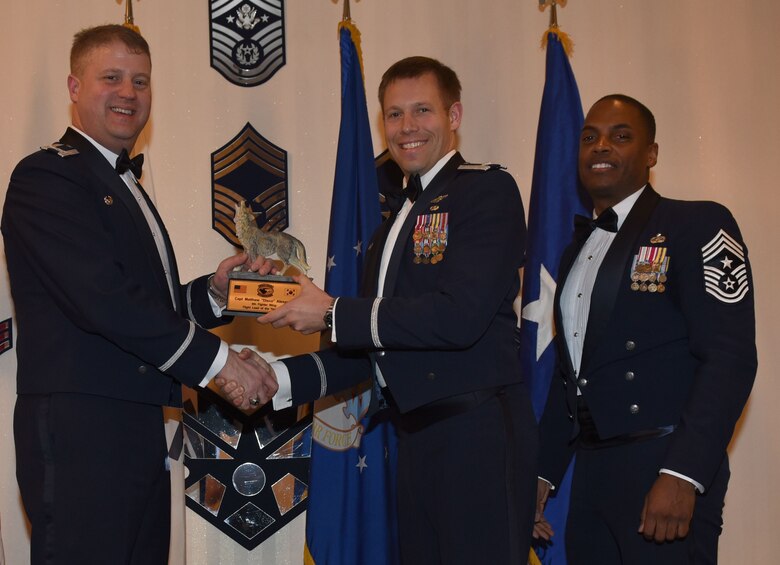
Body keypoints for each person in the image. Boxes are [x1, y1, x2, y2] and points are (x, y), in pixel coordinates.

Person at [220, 56, 538, 564]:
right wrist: (275, 379)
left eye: (422, 111)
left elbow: (459, 317)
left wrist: (330, 313)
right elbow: (369, 351)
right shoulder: (389, 229)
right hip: (415, 439)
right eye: (394, 114)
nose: (407, 127)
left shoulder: (486, 191)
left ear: (454, 116)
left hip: (477, 435)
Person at [1, 24, 274, 564]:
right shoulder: (46, 178)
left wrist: (215, 295)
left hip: (135, 427)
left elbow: (146, 305)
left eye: (140, 81)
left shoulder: (121, 184)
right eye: (111, 78)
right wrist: (223, 365)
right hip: (83, 430)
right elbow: (106, 301)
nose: (128, 92)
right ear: (74, 87)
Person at [533, 94, 756, 564]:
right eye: (589, 137)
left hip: (663, 464)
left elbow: (730, 358)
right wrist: (542, 474)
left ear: (651, 154)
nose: (601, 147)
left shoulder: (697, 224)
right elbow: (570, 374)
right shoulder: (575, 253)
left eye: (621, 136)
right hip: (593, 476)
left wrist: (683, 472)